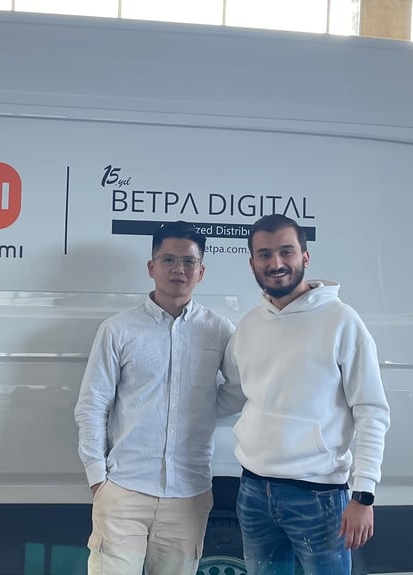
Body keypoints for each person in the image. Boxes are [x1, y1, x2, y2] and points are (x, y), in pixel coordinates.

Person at [221, 213, 391, 575]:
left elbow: (371, 411)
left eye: (286, 251)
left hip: (319, 498)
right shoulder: (248, 326)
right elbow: (233, 395)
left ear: (305, 257)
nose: (276, 263)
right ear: (252, 263)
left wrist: (363, 495)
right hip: (253, 492)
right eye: (264, 254)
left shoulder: (342, 321)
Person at [74, 221, 238, 575]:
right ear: (152, 267)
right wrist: (98, 478)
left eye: (189, 262)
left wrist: (200, 409)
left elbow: (240, 389)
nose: (179, 269)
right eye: (168, 260)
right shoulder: (119, 329)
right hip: (124, 489)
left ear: (201, 272)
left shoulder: (220, 330)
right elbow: (92, 405)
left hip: (189, 494)